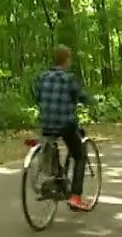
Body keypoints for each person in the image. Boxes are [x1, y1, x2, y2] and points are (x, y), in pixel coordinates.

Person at [34, 44, 94, 212]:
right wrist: (92, 102)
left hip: (46, 123)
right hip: (65, 124)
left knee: (51, 144)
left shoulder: (42, 77)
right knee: (79, 154)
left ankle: (55, 179)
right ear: (67, 60)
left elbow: (37, 97)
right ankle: (75, 197)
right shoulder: (69, 79)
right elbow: (79, 96)